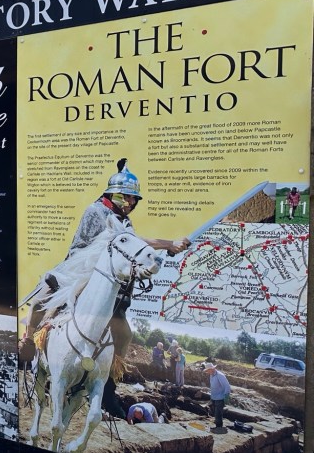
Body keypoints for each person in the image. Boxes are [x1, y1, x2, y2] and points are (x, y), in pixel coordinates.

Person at [22, 159, 191, 368]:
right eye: (127, 197)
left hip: (103, 273)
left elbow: (131, 245)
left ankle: (110, 375)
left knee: (125, 334)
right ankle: (28, 342)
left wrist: (168, 247)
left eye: (134, 198)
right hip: (79, 267)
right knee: (42, 298)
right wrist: (169, 244)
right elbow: (122, 240)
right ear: (114, 194)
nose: (131, 202)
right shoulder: (96, 210)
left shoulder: (124, 219)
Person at [205, 361, 231, 430]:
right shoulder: (211, 375)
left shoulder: (220, 375)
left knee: (218, 413)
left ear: (212, 369)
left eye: (208, 370)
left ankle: (219, 427)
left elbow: (227, 386)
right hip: (214, 397)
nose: (207, 372)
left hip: (220, 397)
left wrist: (226, 396)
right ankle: (218, 423)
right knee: (215, 412)